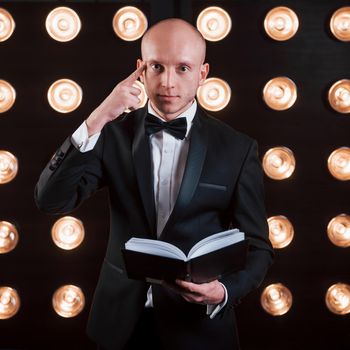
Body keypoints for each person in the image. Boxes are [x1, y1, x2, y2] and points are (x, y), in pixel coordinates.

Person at [35, 18, 273, 350]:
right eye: (157, 67)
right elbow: (50, 200)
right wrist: (99, 117)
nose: (168, 82)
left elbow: (259, 247)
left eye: (183, 68)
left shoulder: (237, 148)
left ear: (203, 74)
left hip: (198, 328)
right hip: (118, 325)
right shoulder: (113, 135)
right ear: (140, 69)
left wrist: (224, 291)